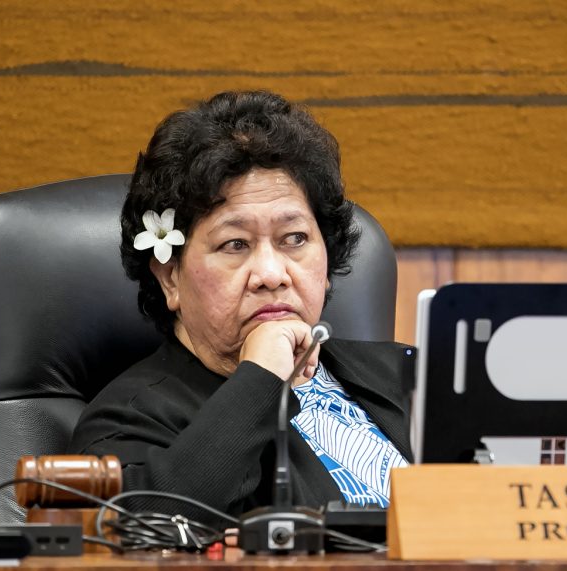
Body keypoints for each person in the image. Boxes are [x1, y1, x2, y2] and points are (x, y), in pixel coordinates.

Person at [69, 91, 412, 520]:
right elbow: (148, 528)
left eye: (295, 239)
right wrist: (261, 381)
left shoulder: (405, 374)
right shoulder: (127, 420)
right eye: (235, 244)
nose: (271, 273)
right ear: (170, 277)